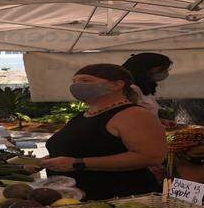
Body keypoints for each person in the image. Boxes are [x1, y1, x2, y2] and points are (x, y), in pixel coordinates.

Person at [38, 64, 167, 200]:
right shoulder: (85, 115)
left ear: (116, 85)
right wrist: (48, 160)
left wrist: (78, 163)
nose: (76, 86)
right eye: (74, 82)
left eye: (85, 80)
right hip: (79, 199)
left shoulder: (134, 114)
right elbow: (85, 149)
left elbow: (151, 156)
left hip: (119, 199)